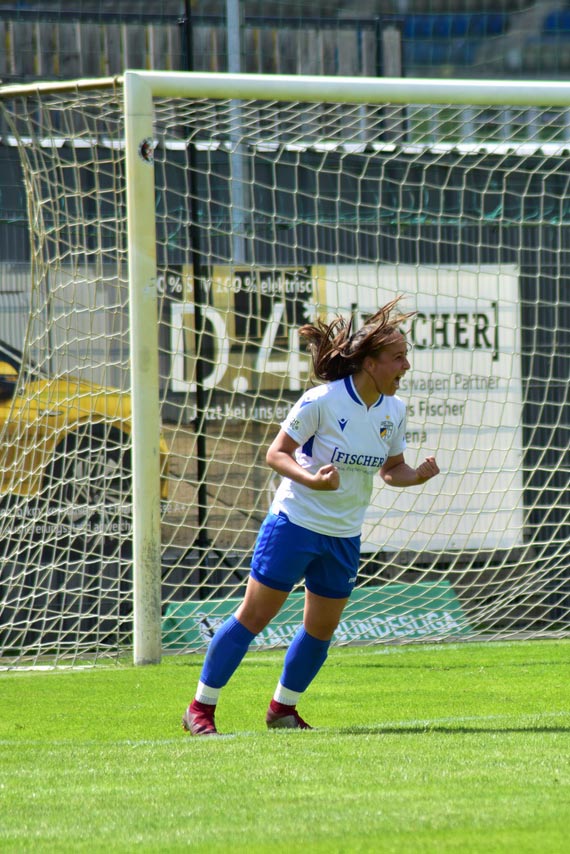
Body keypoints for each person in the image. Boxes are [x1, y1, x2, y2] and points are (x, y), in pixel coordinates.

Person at [182, 295, 440, 735]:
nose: (406, 367)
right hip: (294, 524)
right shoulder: (320, 400)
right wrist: (313, 481)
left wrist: (414, 476)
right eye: (398, 358)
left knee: (321, 630)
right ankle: (200, 709)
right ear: (370, 362)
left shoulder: (394, 411)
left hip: (343, 535)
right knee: (254, 616)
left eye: (406, 357)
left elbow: (391, 469)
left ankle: (282, 709)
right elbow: (275, 454)